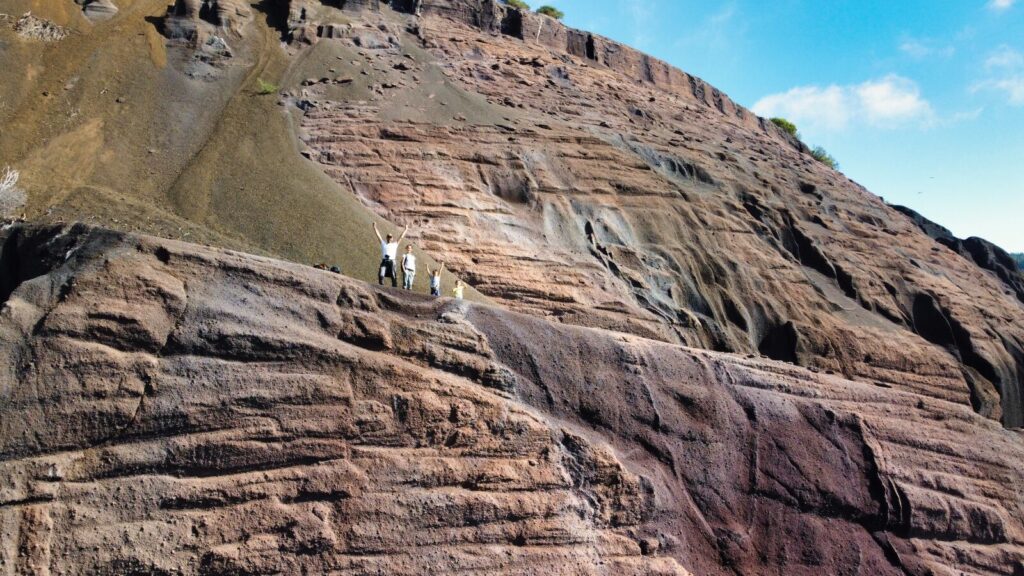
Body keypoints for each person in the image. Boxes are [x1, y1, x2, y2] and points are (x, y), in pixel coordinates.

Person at [373, 222, 408, 287]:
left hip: (392, 261)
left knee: (393, 275)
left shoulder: (395, 244)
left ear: (392, 238)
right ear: (387, 238)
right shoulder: (383, 243)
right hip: (384, 261)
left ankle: (394, 288)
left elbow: (401, 237)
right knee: (381, 274)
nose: (389, 238)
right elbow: (378, 235)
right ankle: (381, 286)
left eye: (390, 237)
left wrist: (406, 229)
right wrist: (375, 227)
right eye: (388, 237)